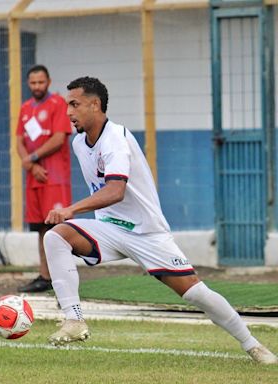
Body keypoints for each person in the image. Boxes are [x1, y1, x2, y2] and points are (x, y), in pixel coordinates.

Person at [42, 76, 277, 364]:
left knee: (195, 293)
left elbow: (116, 190)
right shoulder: (79, 143)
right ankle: (73, 319)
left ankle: (253, 345)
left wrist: (71, 209)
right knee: (55, 237)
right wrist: (75, 215)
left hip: (147, 233)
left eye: (74, 104)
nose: (68, 111)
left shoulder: (116, 138)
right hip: (109, 228)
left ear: (95, 104)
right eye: (68, 105)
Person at [16, 65, 72, 293]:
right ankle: (45, 275)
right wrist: (29, 164)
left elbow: (59, 138)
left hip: (54, 176)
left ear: (48, 81)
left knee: (57, 227)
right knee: (41, 228)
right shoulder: (26, 108)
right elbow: (18, 139)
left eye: (41, 82)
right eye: (33, 82)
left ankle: (64, 275)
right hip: (34, 178)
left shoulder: (58, 104)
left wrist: (33, 158)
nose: (37, 86)